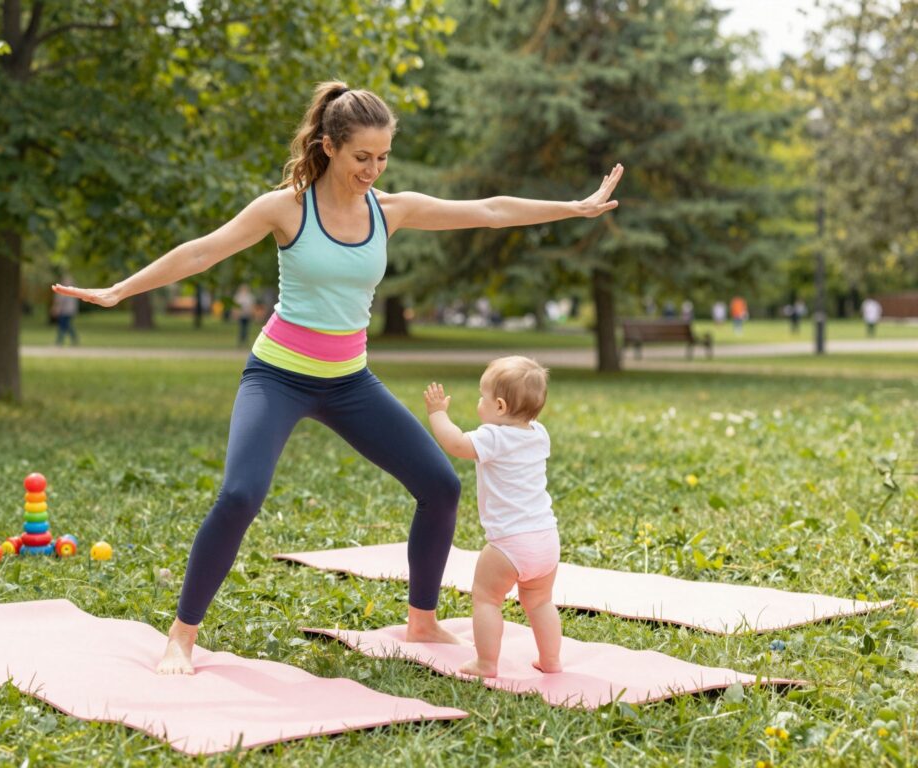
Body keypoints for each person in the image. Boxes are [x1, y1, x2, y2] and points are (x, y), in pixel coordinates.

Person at [51, 81, 623, 675]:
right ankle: (182, 635)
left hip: (349, 382)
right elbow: (202, 252)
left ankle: (422, 620)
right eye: (361, 157)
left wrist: (574, 207)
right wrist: (120, 290)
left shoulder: (389, 210)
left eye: (383, 158)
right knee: (241, 494)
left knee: (439, 485)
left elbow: (490, 211)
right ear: (328, 146)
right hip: (278, 377)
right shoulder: (286, 208)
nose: (372, 170)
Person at [424, 357, 560, 678]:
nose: (479, 402)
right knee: (541, 603)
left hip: (509, 544)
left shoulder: (494, 437)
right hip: (546, 540)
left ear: (499, 406)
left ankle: (486, 662)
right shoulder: (539, 434)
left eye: (482, 396)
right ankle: (551, 660)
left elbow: (457, 444)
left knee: (486, 599)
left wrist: (437, 414)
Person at [51, 275, 79, 346]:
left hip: (65, 311)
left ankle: (60, 341)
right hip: (68, 311)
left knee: (63, 326)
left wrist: (56, 309)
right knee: (65, 325)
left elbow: (60, 301)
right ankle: (70, 339)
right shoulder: (73, 290)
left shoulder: (65, 290)